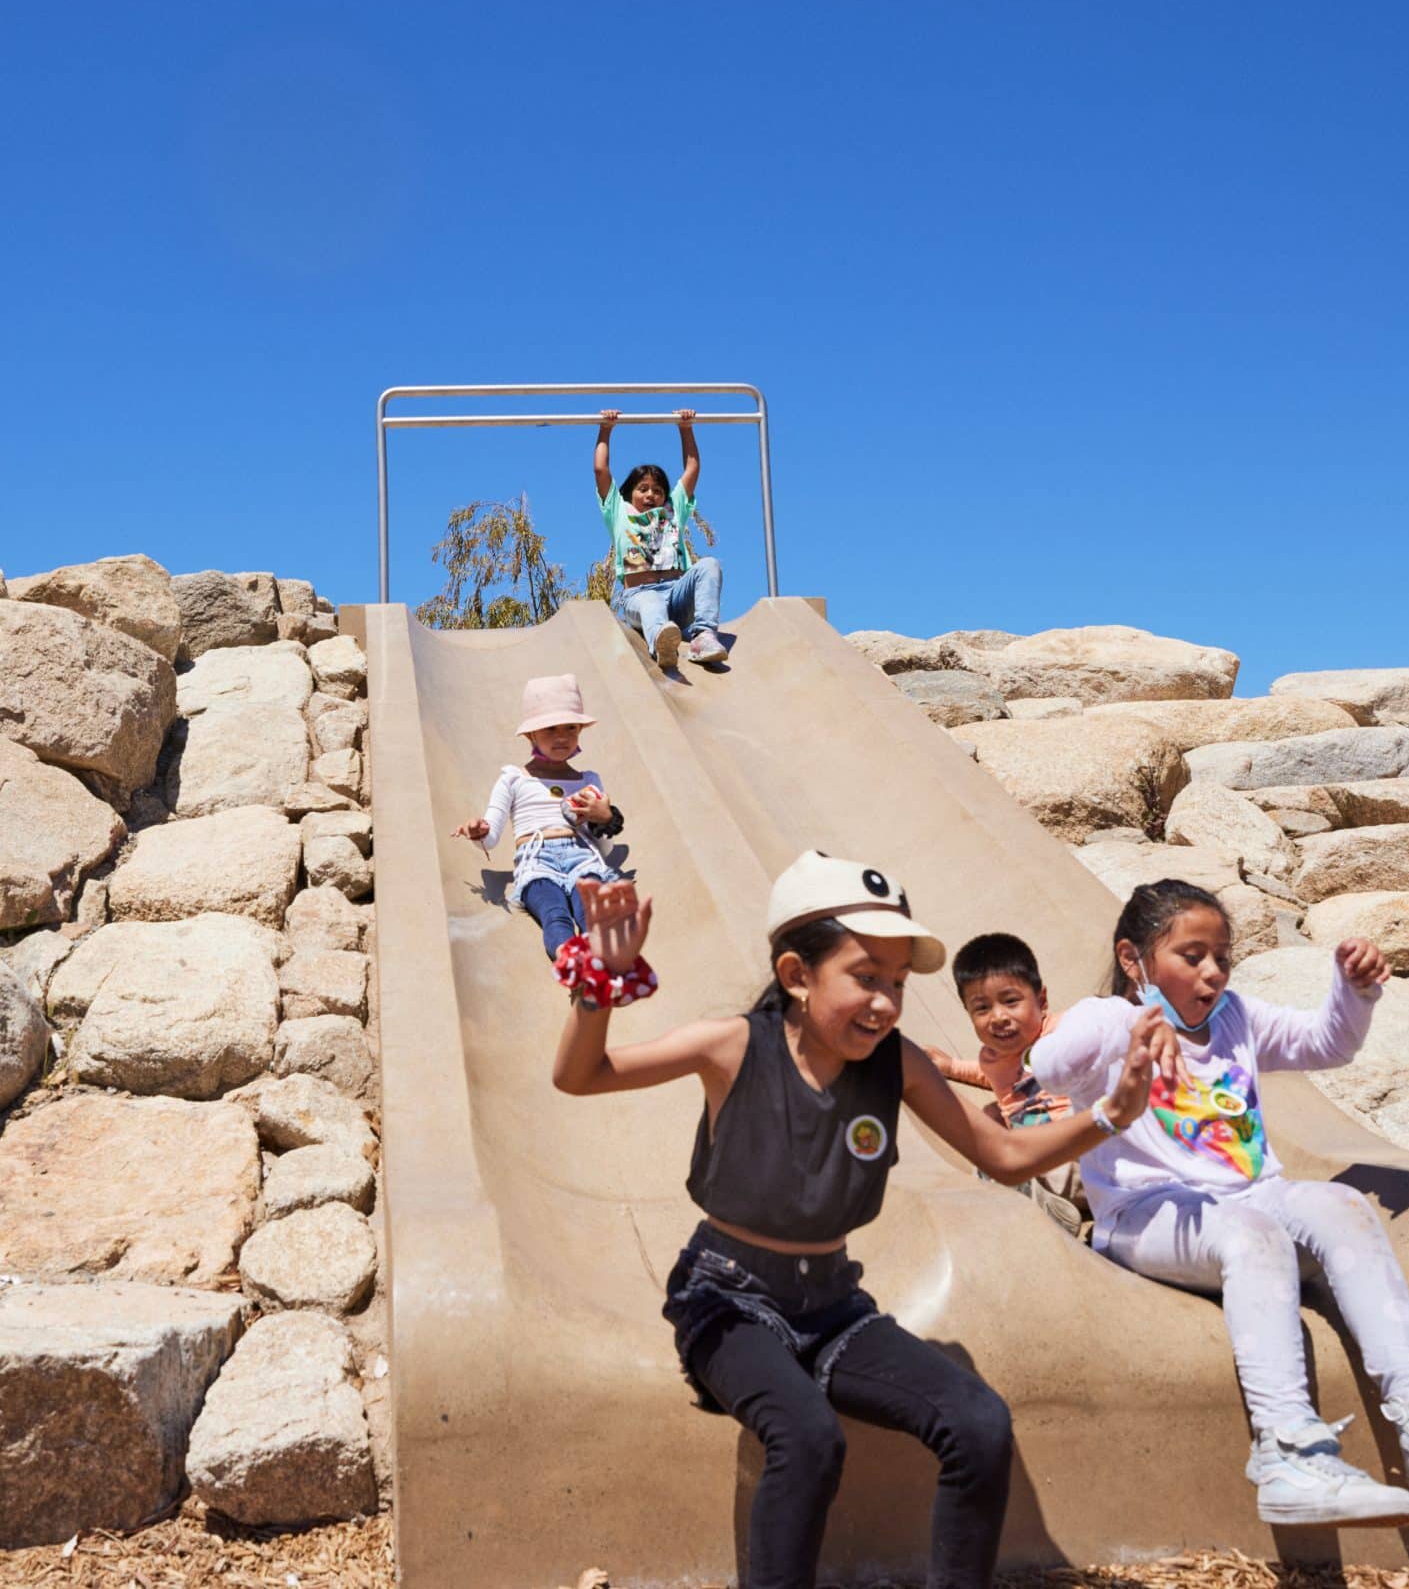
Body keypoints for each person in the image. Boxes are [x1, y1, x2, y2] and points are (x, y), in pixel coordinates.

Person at [551, 854, 1169, 1589]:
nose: (884, 1002)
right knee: (808, 1437)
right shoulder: (734, 1047)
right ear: (797, 975)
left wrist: (1111, 1113)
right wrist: (598, 982)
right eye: (866, 977)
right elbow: (581, 1076)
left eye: (898, 983)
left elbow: (1003, 1155)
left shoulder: (895, 1063)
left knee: (978, 1423)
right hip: (727, 1301)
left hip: (833, 1306)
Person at [1028, 878, 1409, 1528]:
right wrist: (1129, 1032)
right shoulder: (1106, 1017)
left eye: (1221, 957)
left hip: (1252, 1197)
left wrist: (1353, 991)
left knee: (1342, 1205)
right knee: (1251, 1232)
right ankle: (1288, 1454)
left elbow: (1325, 1044)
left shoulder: (1235, 1018)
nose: (1212, 972)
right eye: (1192, 956)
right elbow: (1048, 1064)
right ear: (1133, 959)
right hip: (1145, 1214)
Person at [452, 674, 628, 963]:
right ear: (531, 735)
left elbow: (598, 831)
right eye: (550, 728)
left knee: (591, 910)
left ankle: (599, 957)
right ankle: (570, 959)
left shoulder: (588, 779)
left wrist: (604, 815)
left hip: (582, 857)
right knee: (554, 913)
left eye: (571, 728)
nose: (562, 737)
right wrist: (478, 831)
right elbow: (491, 837)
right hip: (536, 860)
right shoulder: (514, 779)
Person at [924, 932, 1083, 1234]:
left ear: (1041, 1000)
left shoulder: (1064, 1031)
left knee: (1082, 1111)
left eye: (1011, 1001)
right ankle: (1039, 1204)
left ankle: (1023, 1193)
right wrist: (952, 1067)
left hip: (1079, 1151)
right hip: (1035, 1163)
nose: (998, 1017)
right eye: (982, 1008)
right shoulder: (992, 1058)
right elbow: (991, 1076)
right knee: (990, 1118)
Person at [595, 407, 726, 667]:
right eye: (642, 489)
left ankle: (703, 635)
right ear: (629, 493)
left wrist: (685, 428)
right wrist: (605, 429)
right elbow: (601, 470)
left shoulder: (672, 510)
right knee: (652, 602)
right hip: (639, 595)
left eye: (657, 490)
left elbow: (692, 468)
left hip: (676, 593)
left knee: (710, 565)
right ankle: (661, 642)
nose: (650, 495)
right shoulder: (619, 511)